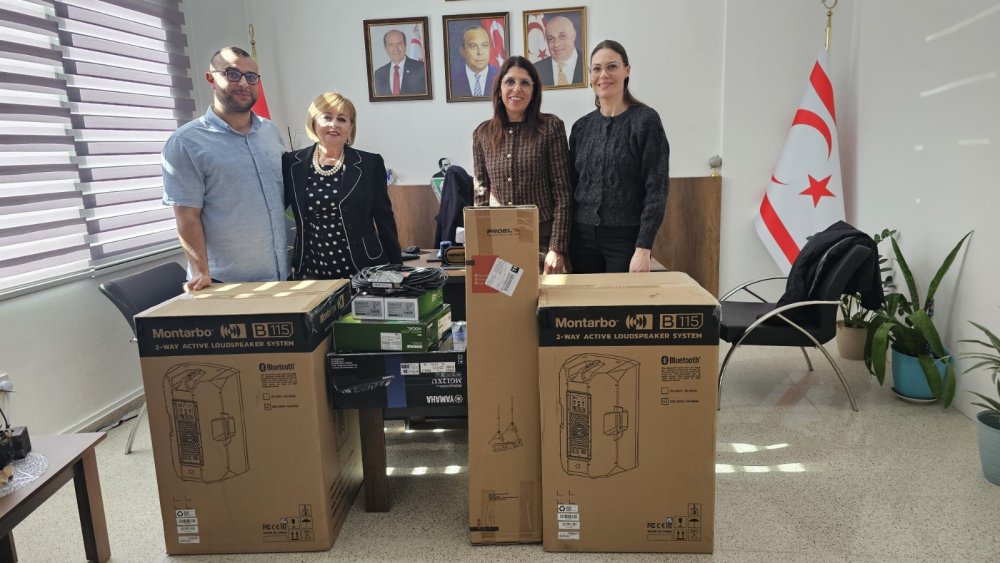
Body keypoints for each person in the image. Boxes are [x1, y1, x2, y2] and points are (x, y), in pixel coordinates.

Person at [162, 46, 288, 291]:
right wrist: (200, 271)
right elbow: (187, 215)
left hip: (279, 276)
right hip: (225, 283)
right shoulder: (185, 142)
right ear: (211, 79)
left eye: (251, 77)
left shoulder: (270, 132)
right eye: (232, 74)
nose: (243, 83)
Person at [568, 40, 670, 273]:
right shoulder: (581, 127)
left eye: (612, 66)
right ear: (590, 76)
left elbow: (657, 188)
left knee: (619, 297)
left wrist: (644, 248)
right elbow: (571, 187)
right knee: (583, 297)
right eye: (596, 69)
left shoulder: (645, 121)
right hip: (581, 239)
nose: (603, 75)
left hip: (625, 240)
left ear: (627, 70)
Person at [282, 92, 402, 280]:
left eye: (342, 119)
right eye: (327, 117)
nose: (334, 124)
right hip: (311, 268)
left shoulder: (370, 163)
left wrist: (397, 269)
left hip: (363, 268)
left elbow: (384, 219)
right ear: (313, 122)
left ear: (350, 127)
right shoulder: (291, 163)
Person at [472, 56, 572, 274]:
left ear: (533, 91)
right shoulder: (482, 134)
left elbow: (563, 193)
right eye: (510, 81)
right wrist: (482, 247)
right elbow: (481, 196)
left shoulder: (550, 127)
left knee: (541, 297)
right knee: (501, 297)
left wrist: (557, 248)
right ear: (499, 88)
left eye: (525, 82)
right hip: (498, 241)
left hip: (542, 242)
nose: (517, 88)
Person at [373, 29, 426, 96]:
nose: (396, 48)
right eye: (391, 45)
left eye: (399, 43)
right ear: (386, 49)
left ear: (405, 45)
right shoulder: (379, 74)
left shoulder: (422, 69)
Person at [534, 16, 583, 87]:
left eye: (562, 36)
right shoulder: (536, 69)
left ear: (573, 35)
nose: (556, 44)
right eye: (551, 38)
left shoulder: (588, 63)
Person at [451, 25, 498, 97]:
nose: (480, 52)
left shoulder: (501, 76)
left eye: (485, 45)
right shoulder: (452, 79)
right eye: (473, 46)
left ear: (490, 48)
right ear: (462, 51)